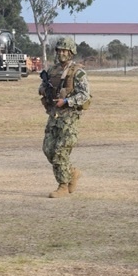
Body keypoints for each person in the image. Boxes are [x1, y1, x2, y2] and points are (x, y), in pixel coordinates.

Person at [40, 37, 91, 198]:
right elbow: (42, 87)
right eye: (59, 50)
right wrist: (43, 90)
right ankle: (72, 173)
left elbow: (85, 95)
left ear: (71, 52)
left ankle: (62, 185)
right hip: (54, 116)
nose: (61, 53)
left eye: (64, 50)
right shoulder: (52, 71)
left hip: (69, 119)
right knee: (48, 150)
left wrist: (67, 101)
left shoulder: (78, 72)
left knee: (60, 152)